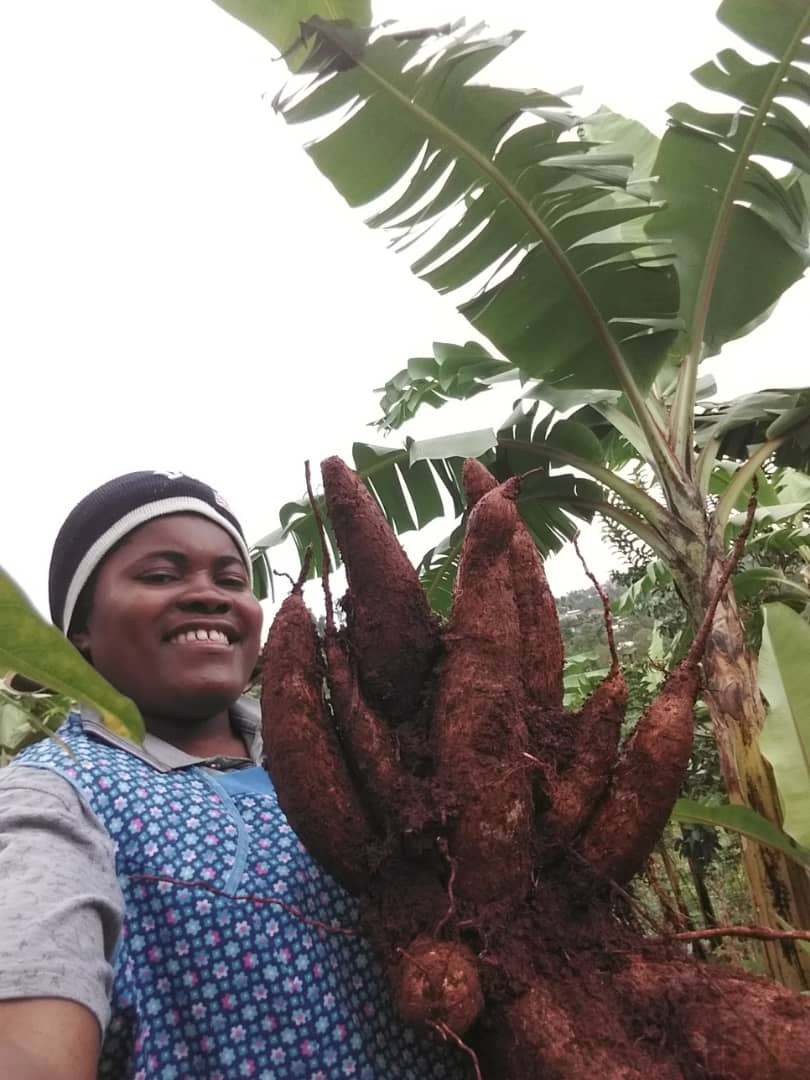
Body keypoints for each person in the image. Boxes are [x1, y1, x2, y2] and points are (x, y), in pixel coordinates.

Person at [0, 471, 466, 1079]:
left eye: (231, 579)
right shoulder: (57, 794)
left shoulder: (355, 751)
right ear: (79, 631)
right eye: (160, 575)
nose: (208, 596)